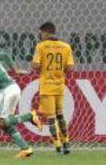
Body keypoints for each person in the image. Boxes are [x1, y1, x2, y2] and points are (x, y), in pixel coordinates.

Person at [31, 22, 74, 155]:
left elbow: (35, 65)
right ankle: (67, 143)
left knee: (51, 118)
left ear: (46, 32)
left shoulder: (41, 46)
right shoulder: (66, 47)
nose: (40, 35)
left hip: (47, 87)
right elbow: (70, 68)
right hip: (59, 86)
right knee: (60, 116)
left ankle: (57, 146)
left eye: (41, 33)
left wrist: (40, 66)